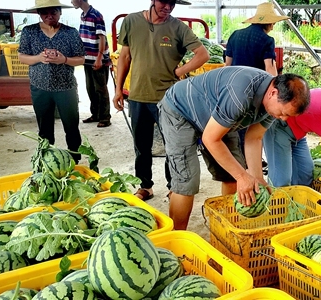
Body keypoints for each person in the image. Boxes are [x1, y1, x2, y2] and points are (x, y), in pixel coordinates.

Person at [158, 66, 310, 230]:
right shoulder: (240, 93)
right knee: (187, 182)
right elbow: (210, 139)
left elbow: (254, 138)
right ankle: (177, 238)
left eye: (288, 115)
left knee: (232, 176)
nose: (283, 119)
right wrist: (242, 176)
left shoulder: (271, 104)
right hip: (180, 111)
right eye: (282, 113)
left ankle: (228, 228)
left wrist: (256, 177)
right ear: (273, 93)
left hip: (218, 117)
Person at [112, 0, 210, 201]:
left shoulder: (178, 27)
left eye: (172, 4)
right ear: (153, 1)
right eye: (164, 2)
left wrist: (180, 71)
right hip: (138, 95)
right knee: (141, 145)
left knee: (172, 145)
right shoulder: (131, 21)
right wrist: (118, 90)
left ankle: (173, 185)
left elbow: (203, 54)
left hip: (169, 100)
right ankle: (145, 186)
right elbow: (124, 57)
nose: (168, 7)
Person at [18, 0, 85, 162]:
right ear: (38, 14)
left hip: (66, 87)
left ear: (60, 12)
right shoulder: (29, 31)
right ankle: (47, 161)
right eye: (44, 13)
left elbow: (81, 59)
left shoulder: (70, 33)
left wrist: (64, 59)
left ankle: (74, 158)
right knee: (44, 128)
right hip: (40, 87)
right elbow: (22, 57)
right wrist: (39, 57)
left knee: (71, 126)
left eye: (53, 12)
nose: (49, 16)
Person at [224, 2, 289, 163]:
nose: (273, 26)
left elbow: (227, 66)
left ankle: (238, 159)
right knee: (251, 126)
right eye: (273, 22)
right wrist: (278, 88)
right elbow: (269, 68)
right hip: (255, 89)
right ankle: (249, 161)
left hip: (233, 87)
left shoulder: (235, 35)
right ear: (267, 22)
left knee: (235, 124)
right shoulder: (266, 40)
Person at [71, 0, 112, 128]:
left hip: (97, 59)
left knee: (101, 89)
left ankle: (105, 118)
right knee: (90, 89)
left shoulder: (95, 15)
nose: (71, 2)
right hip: (87, 59)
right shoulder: (83, 15)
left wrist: (99, 58)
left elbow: (102, 37)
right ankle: (95, 114)